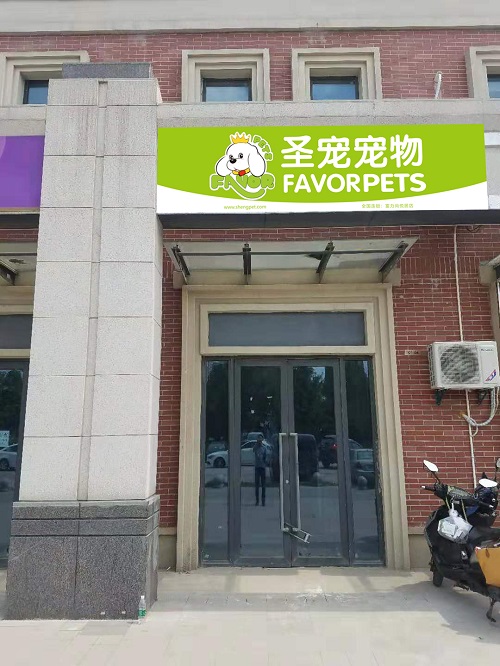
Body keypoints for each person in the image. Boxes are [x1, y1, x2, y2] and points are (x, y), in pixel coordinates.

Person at [253, 434, 268, 506]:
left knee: (263, 485)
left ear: (262, 440)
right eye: (258, 439)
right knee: (257, 485)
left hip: (262, 467)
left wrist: (265, 463)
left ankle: (263, 501)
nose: (259, 440)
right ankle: (257, 500)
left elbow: (265, 458)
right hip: (257, 467)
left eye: (260, 439)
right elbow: (253, 450)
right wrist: (256, 444)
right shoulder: (255, 447)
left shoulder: (264, 448)